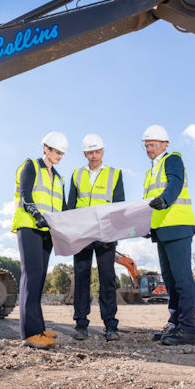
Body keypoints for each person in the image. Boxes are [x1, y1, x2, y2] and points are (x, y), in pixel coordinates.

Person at [142, 125, 195, 346]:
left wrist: (165, 198)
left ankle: (188, 330)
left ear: (164, 144)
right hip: (162, 230)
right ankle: (175, 323)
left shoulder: (172, 159)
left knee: (182, 280)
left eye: (153, 145)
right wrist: (147, 226)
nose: (149, 149)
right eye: (146, 146)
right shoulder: (150, 172)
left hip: (177, 226)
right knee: (170, 281)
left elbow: (175, 183)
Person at [12, 131, 68, 349]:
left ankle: (39, 329)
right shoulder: (31, 166)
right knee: (31, 276)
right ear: (46, 148)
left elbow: (61, 207)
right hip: (29, 226)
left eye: (62, 153)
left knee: (40, 279)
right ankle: (30, 334)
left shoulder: (59, 178)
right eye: (56, 152)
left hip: (48, 231)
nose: (59, 156)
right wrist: (37, 216)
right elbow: (26, 195)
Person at [67, 134, 124, 341]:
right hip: (82, 233)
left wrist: (114, 233)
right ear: (84, 153)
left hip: (106, 233)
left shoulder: (115, 174)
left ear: (103, 151)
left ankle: (111, 326)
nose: (94, 156)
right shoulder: (76, 175)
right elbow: (70, 207)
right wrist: (71, 233)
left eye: (97, 151)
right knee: (81, 279)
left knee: (107, 279)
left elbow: (119, 206)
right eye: (90, 152)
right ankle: (81, 324)